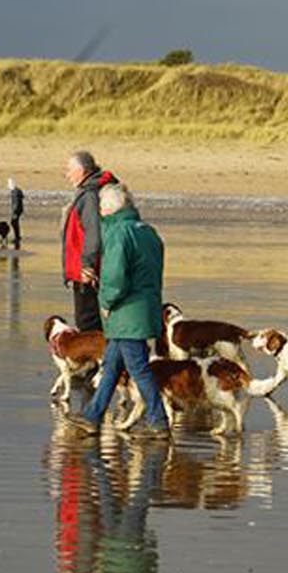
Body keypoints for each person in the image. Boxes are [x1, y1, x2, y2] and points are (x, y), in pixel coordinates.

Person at [72, 183, 169, 436]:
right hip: (144, 307)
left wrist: (106, 302)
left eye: (102, 207)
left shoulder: (119, 233)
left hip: (127, 313)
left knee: (138, 367)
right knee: (112, 367)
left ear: (111, 208)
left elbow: (115, 277)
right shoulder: (147, 231)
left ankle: (159, 420)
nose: (100, 212)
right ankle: (93, 415)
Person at [61, 151, 119, 331]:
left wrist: (88, 265)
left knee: (87, 322)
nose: (67, 175)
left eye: (69, 170)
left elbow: (93, 232)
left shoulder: (90, 196)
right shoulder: (93, 191)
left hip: (87, 271)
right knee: (92, 321)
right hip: (91, 268)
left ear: (82, 170)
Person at [7, 177, 25, 249]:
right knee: (15, 222)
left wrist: (14, 212)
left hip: (17, 210)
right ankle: (17, 236)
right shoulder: (17, 191)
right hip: (19, 209)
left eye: (9, 184)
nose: (8, 186)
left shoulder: (15, 192)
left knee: (14, 222)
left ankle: (17, 237)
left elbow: (16, 203)